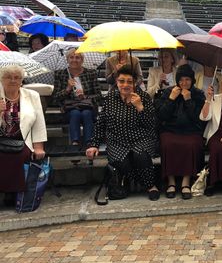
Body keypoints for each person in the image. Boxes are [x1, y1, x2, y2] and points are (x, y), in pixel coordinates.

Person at [86, 66, 160, 200]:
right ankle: (134, 181)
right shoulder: (111, 98)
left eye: (129, 82)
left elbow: (151, 125)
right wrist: (94, 144)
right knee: (121, 162)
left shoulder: (143, 97)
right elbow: (101, 122)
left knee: (141, 156)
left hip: (141, 138)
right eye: (121, 81)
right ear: (116, 82)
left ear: (135, 83)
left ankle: (150, 185)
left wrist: (140, 107)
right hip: (117, 140)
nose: (125, 85)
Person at [155, 65, 206, 200]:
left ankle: (186, 181)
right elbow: (162, 115)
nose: (184, 83)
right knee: (167, 143)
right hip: (170, 129)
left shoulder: (198, 94)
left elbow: (199, 118)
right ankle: (171, 181)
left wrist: (188, 100)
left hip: (191, 130)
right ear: (177, 80)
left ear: (192, 80)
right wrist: (171, 99)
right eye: (181, 80)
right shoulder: (168, 92)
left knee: (192, 144)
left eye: (187, 79)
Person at [0, 65, 47, 206]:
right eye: (8, 77)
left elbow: (38, 122)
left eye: (17, 77)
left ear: (22, 80)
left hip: (23, 140)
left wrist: (38, 147)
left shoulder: (32, 96)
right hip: (1, 139)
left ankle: (14, 193)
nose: (13, 80)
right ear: (1, 79)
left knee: (22, 155)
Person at [52, 48, 102, 147]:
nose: (74, 60)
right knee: (75, 113)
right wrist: (67, 89)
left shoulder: (91, 73)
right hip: (70, 107)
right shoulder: (60, 74)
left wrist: (85, 96)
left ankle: (89, 142)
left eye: (77, 57)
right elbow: (55, 98)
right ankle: (75, 142)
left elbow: (98, 95)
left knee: (86, 113)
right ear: (67, 59)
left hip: (88, 106)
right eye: (71, 57)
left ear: (82, 60)